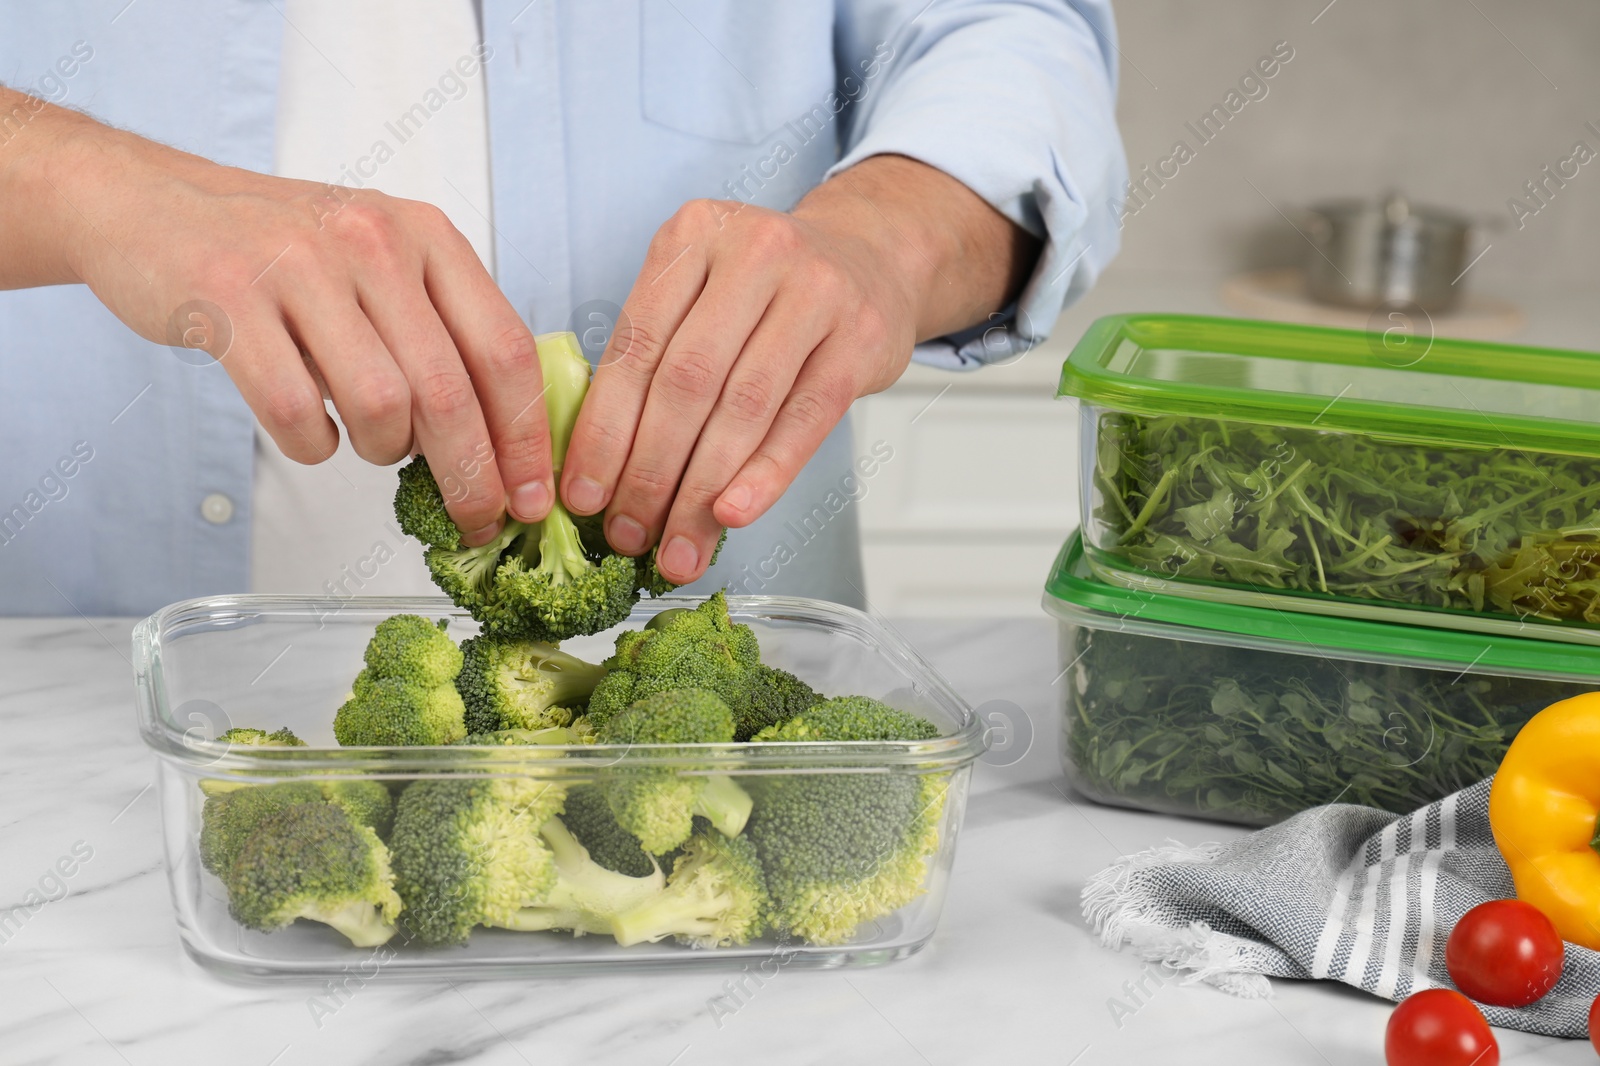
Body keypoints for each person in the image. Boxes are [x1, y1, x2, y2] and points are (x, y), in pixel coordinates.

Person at [0, 1, 1126, 616]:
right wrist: (83, 185)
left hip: (707, 775)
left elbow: (1008, 30)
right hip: (58, 748)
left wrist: (886, 233)